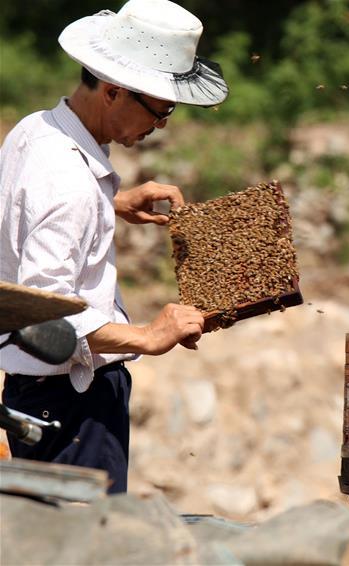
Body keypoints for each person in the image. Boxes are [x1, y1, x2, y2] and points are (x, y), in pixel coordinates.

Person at [0, 0, 229, 493]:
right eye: (160, 109)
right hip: (68, 404)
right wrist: (148, 335)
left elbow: (22, 214)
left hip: (39, 395)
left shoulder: (36, 129)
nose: (163, 124)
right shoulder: (68, 184)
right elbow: (44, 317)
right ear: (112, 92)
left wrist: (111, 203)